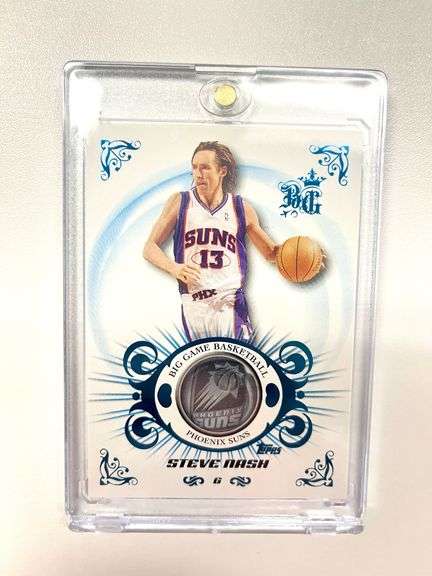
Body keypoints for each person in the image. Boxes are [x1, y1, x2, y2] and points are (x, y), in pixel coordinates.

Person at [143, 141, 278, 340]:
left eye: (205, 167)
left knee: (236, 359)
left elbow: (271, 253)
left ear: (222, 171)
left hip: (231, 301)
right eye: (194, 167)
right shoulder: (180, 202)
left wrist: (301, 256)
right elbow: (149, 248)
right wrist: (174, 268)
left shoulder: (241, 208)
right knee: (206, 360)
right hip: (195, 302)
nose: (198, 174)